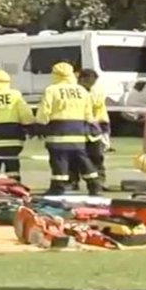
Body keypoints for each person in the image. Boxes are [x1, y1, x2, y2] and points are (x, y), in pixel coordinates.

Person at [35, 62, 102, 196]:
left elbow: (44, 112)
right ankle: (94, 184)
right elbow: (89, 114)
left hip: (58, 131)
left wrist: (40, 125)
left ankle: (58, 187)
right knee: (82, 157)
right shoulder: (81, 90)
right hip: (78, 131)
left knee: (59, 159)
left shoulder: (51, 90)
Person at [73, 68, 111, 192]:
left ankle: (100, 182)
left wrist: (105, 128)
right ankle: (73, 182)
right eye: (89, 81)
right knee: (74, 157)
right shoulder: (73, 91)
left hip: (94, 130)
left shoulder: (97, 92)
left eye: (94, 82)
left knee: (97, 157)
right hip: (77, 129)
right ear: (81, 79)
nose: (92, 84)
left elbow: (101, 110)